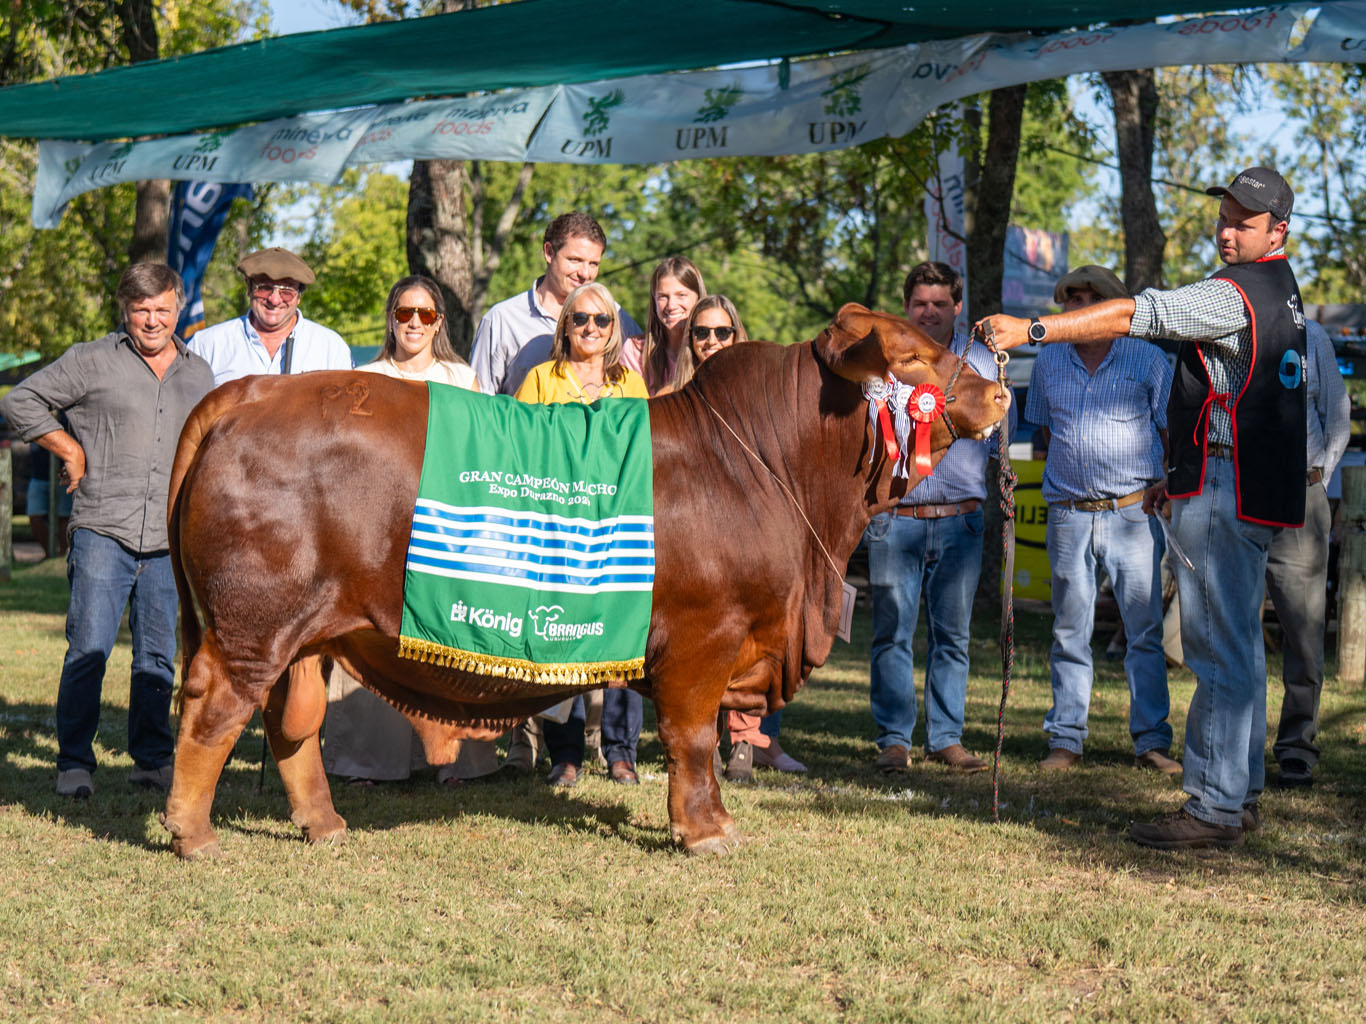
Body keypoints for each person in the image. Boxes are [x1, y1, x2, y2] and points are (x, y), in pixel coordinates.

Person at [981, 166, 1308, 849]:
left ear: (1278, 230)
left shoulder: (1232, 293)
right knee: (1240, 647)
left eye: (1244, 222)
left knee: (1216, 650)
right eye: (1224, 216)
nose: (1226, 230)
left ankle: (1214, 807)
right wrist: (1181, 471)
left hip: (1225, 487)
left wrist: (1032, 329)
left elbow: (1134, 314)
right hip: (1241, 482)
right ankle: (1239, 794)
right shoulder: (1281, 288)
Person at [0, 264, 214, 798]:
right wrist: (69, 448)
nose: (152, 320)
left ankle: (152, 762)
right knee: (88, 651)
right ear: (125, 310)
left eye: (162, 309)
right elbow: (19, 400)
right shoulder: (91, 359)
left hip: (168, 539)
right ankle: (74, 763)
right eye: (141, 310)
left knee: (157, 658)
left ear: (178, 308)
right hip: (102, 530)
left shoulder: (199, 374)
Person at [320, 275, 498, 787]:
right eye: (404, 313)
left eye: (424, 314)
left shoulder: (462, 379)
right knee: (372, 639)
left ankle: (456, 759)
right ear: (391, 319)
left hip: (446, 528)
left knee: (447, 638)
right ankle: (367, 761)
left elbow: (482, 455)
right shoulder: (362, 378)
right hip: (375, 531)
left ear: (439, 322)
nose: (414, 323)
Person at [1025, 266, 1178, 775]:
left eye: (1093, 299)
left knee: (1144, 633)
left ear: (1113, 308)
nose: (1081, 308)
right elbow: (1045, 434)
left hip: (1134, 513)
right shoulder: (1048, 360)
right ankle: (1065, 740)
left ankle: (1152, 743)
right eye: (1073, 299)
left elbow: (1171, 433)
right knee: (1069, 631)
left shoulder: (1148, 358)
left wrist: (1163, 487)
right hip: (1069, 515)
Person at [866, 261, 1013, 777]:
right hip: (895, 518)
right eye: (919, 303)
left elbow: (1001, 434)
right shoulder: (884, 363)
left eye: (939, 303)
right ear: (906, 307)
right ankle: (894, 740)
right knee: (892, 633)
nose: (929, 312)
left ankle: (946, 738)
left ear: (957, 306)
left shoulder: (983, 362)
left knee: (952, 636)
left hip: (961, 520)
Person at [654, 294, 809, 779]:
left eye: (722, 332)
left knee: (752, 638)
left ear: (737, 335)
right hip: (691, 540)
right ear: (689, 340)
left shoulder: (760, 396)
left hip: (746, 537)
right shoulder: (670, 397)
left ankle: (749, 740)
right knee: (704, 646)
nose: (712, 341)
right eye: (702, 333)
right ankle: (707, 746)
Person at [514, 281, 648, 787]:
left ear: (614, 330)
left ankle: (620, 752)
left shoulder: (628, 383)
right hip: (556, 529)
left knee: (622, 636)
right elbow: (519, 448)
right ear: (565, 325)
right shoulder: (541, 379)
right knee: (561, 637)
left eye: (602, 320)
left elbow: (643, 452)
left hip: (617, 528)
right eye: (580, 318)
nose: (591, 328)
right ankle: (565, 754)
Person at [1265, 317, 1350, 789]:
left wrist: (1317, 478)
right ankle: (1233, 749)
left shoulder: (1312, 337)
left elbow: (1337, 419)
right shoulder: (1229, 326)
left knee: (1303, 632)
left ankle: (1297, 749)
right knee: (1230, 628)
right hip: (1238, 495)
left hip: (1300, 496)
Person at [472, 211, 643, 397]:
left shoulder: (614, 317)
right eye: (575, 260)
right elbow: (480, 401)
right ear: (549, 252)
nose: (585, 273)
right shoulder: (502, 320)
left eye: (593, 264)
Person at [188, 246, 352, 384]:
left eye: (286, 291)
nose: (274, 300)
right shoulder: (207, 345)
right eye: (264, 288)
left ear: (299, 296)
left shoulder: (331, 348)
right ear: (248, 288)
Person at [622, 256, 707, 393]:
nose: (671, 305)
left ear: (698, 298)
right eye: (663, 297)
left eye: (681, 295)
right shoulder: (635, 351)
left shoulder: (711, 347)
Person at [26, 439, 72, 558]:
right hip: (38, 474)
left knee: (64, 516)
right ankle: (50, 554)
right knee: (35, 515)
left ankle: (62, 554)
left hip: (62, 472)